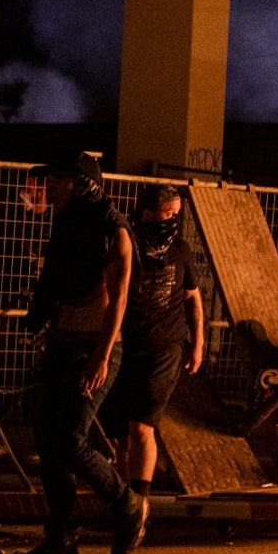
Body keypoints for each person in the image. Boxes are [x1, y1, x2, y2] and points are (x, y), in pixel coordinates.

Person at [5, 154, 142, 554]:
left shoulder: (112, 229)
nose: (49, 189)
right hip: (63, 343)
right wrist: (41, 319)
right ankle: (60, 543)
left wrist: (101, 357)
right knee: (48, 445)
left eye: (59, 181)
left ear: (80, 183)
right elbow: (57, 280)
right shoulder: (67, 224)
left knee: (70, 440)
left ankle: (127, 503)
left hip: (93, 348)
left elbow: (118, 301)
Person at [108, 183, 204, 533]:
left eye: (177, 215)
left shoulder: (180, 250)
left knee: (142, 427)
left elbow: (193, 299)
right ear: (149, 212)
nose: (174, 221)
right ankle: (122, 506)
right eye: (169, 214)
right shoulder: (127, 242)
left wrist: (198, 343)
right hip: (126, 345)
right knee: (120, 435)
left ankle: (139, 506)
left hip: (164, 347)